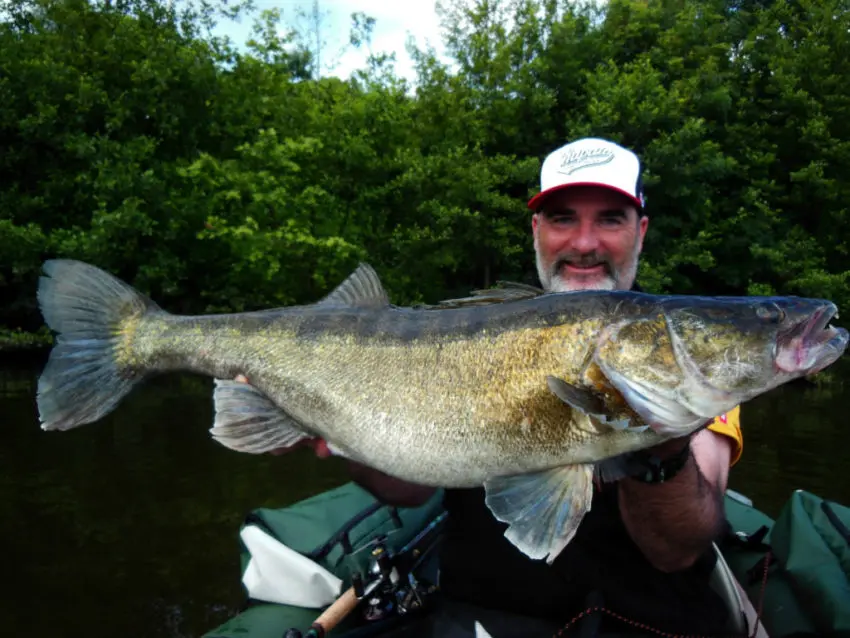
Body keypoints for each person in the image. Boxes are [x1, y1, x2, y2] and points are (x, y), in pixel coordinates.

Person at [255, 137, 764, 637]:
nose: (585, 243)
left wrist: (666, 442)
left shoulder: (682, 357)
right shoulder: (471, 330)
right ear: (537, 230)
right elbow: (409, 486)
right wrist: (340, 427)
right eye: (564, 218)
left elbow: (678, 547)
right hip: (478, 616)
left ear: (641, 231)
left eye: (610, 218)